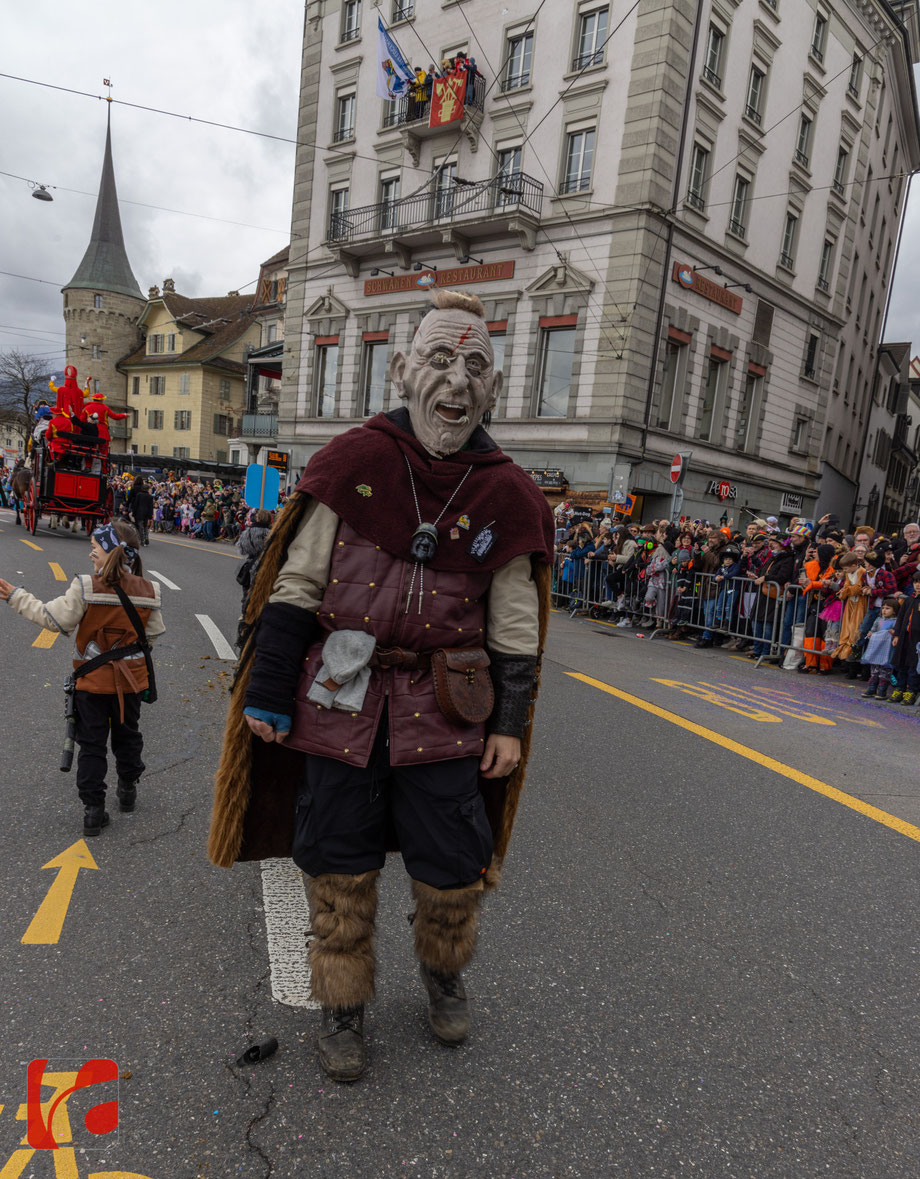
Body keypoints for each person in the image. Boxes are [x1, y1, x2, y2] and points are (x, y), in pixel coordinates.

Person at [208, 289, 554, 1083]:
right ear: (403, 370)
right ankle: (341, 1003)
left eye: (475, 366)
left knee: (451, 862)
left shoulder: (507, 494)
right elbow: (293, 586)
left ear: (493, 389)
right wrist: (266, 692)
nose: (457, 382)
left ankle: (443, 968)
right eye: (440, 359)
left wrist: (510, 721)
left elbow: (513, 627)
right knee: (338, 858)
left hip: (449, 707)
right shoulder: (351, 461)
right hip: (339, 698)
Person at [0, 521, 164, 835]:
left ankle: (93, 811)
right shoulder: (149, 590)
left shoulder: (86, 586)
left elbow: (53, 619)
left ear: (110, 551)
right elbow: (152, 635)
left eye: (95, 547)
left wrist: (15, 596)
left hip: (91, 683)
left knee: (91, 745)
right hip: (130, 684)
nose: (91, 552)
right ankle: (127, 790)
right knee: (128, 735)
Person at [860, 599, 899, 699]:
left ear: (894, 611)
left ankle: (882, 691)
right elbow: (873, 630)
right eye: (883, 608)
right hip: (876, 649)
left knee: (885, 671)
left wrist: (893, 632)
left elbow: (896, 633)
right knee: (874, 670)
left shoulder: (895, 622)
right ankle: (872, 688)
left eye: (888, 608)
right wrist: (870, 633)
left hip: (887, 651)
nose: (884, 610)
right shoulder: (878, 620)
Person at [128, 477, 154, 546]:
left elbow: (136, 504)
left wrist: (134, 512)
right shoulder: (150, 497)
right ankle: (146, 538)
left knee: (140, 526)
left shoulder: (139, 495)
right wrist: (150, 516)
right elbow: (151, 507)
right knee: (145, 526)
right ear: (148, 489)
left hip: (139, 513)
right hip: (146, 513)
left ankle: (142, 540)